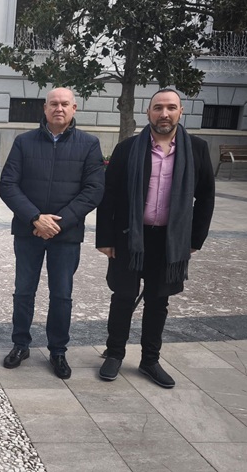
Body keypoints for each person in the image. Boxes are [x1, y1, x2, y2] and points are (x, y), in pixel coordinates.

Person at [96, 88, 215, 388]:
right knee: (123, 297)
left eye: (171, 108)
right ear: (148, 112)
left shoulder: (197, 149)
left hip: (169, 241)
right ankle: (114, 353)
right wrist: (105, 238)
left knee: (158, 301)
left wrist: (193, 240)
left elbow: (206, 198)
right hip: (129, 238)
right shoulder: (127, 149)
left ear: (180, 112)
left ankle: (150, 360)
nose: (164, 114)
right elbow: (109, 196)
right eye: (158, 108)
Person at [0, 87, 105, 380]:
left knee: (61, 295)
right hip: (28, 231)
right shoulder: (24, 142)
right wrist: (35, 218)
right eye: (53, 104)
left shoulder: (89, 144)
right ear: (44, 108)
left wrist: (59, 222)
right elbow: (8, 184)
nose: (59, 108)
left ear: (74, 108)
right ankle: (20, 344)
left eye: (64, 104)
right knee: (23, 291)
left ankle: (58, 350)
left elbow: (94, 189)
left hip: (65, 235)